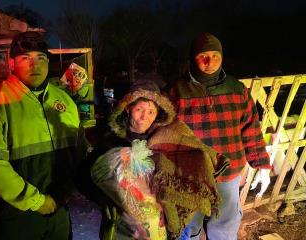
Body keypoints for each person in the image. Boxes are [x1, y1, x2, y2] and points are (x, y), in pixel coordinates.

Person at [0, 31, 83, 240]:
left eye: (41, 58)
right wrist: (36, 201)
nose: (35, 65)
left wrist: (70, 189)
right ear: (11, 63)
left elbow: (79, 151)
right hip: (18, 214)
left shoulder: (64, 100)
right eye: (26, 59)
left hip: (59, 207)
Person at [87, 80, 228, 239]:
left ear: (158, 114)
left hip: (159, 228)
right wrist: (107, 200)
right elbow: (84, 177)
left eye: (151, 112)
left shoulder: (167, 138)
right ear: (127, 108)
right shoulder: (110, 143)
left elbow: (194, 162)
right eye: (139, 109)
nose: (144, 117)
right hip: (119, 229)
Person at [167, 33, 272, 240]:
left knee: (224, 224)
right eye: (203, 56)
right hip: (190, 174)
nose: (209, 61)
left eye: (215, 55)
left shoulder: (236, 89)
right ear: (193, 58)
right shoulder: (175, 91)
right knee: (189, 223)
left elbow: (251, 128)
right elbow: (162, 129)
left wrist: (261, 165)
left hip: (229, 171)